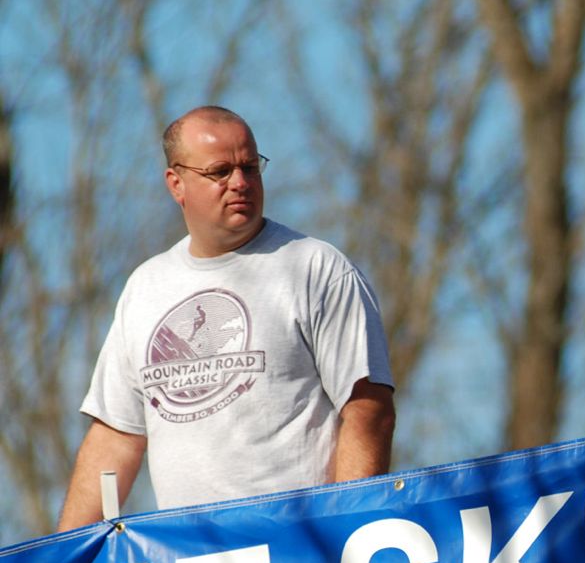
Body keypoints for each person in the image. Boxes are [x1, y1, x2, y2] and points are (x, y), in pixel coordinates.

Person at [57, 105, 395, 529]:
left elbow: (367, 408)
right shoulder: (146, 286)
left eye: (250, 167)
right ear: (176, 184)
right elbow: (116, 436)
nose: (240, 183)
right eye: (220, 171)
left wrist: (347, 530)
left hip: (299, 553)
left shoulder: (314, 268)